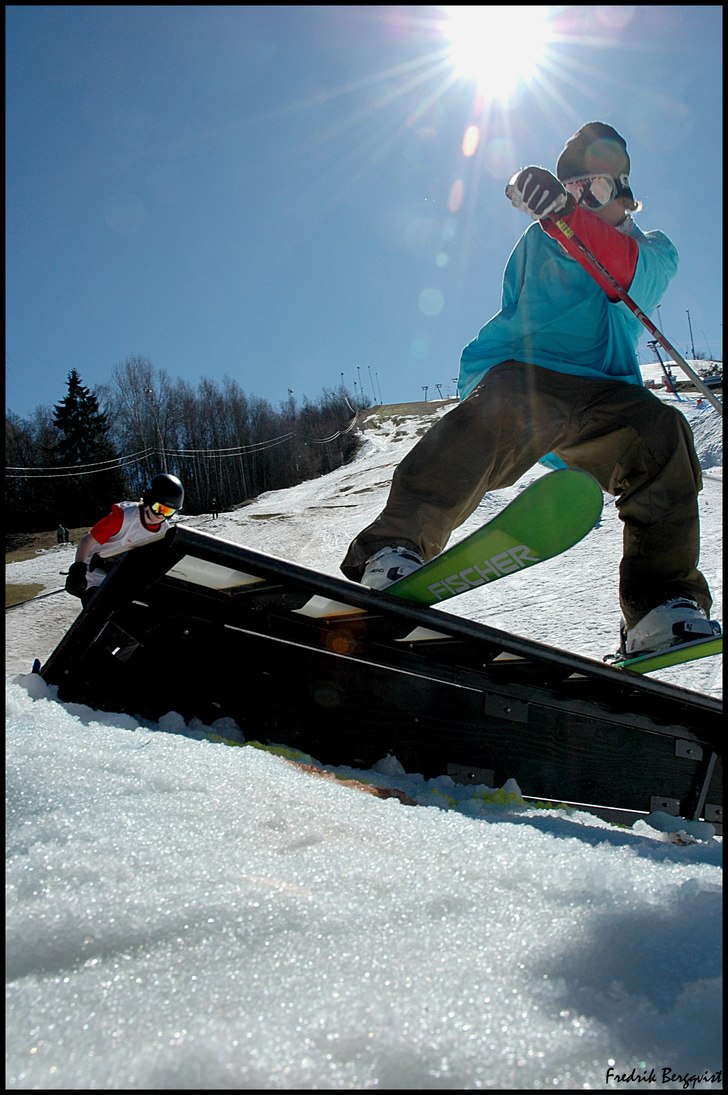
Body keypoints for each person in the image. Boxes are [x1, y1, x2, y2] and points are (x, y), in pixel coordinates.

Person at [341, 121, 720, 658]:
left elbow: (621, 267)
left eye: (599, 190)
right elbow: (561, 248)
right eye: (574, 191)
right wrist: (537, 197)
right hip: (527, 378)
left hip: (604, 399)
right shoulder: (541, 243)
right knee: (506, 404)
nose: (584, 203)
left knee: (662, 432)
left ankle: (660, 605)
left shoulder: (655, 251)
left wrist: (563, 212)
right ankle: (397, 544)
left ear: (627, 196)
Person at [65, 472, 184, 606]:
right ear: (149, 500)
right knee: (100, 614)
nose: (161, 516)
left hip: (121, 578)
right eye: (158, 508)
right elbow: (87, 541)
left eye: (168, 512)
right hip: (94, 576)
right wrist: (78, 569)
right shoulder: (124, 517)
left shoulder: (163, 531)